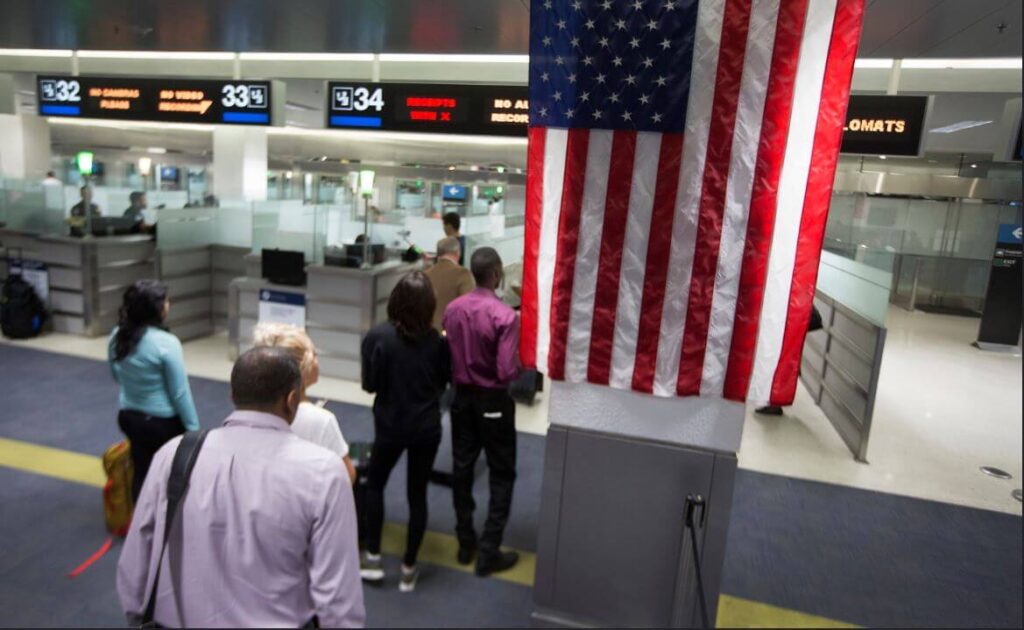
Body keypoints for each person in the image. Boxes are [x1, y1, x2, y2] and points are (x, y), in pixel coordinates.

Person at [117, 347, 366, 628]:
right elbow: (338, 599)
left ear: (233, 395)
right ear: (292, 400)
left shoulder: (174, 455)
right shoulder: (324, 472)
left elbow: (136, 562)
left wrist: (137, 618)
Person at [360, 271, 450, 592]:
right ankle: (409, 568)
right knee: (417, 495)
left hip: (389, 425)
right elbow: (442, 384)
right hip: (426, 428)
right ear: (429, 305)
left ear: (394, 300)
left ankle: (372, 558)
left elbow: (369, 385)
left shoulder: (377, 338)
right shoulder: (438, 342)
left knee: (376, 484)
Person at [442, 247, 521, 576]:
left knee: (462, 469)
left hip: (460, 399)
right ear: (497, 273)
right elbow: (505, 371)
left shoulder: (453, 309)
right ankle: (489, 552)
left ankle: (465, 543)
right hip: (493, 402)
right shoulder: (505, 316)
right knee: (501, 473)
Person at [108, 280, 199, 503]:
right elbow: (180, 393)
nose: (168, 304)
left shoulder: (117, 336)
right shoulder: (167, 343)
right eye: (165, 301)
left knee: (141, 469)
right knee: (169, 473)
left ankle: (141, 521)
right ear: (156, 309)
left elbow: (116, 376)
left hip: (129, 416)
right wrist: (193, 429)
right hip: (161, 424)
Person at [252, 322, 357, 484]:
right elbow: (347, 475)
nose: (317, 361)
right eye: (314, 355)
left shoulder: (254, 411)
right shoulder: (322, 421)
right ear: (303, 367)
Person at [424, 236, 474, 331]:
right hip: (451, 335)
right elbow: (469, 309)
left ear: (438, 254)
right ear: (458, 253)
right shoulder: (463, 274)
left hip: (427, 335)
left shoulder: (425, 274)